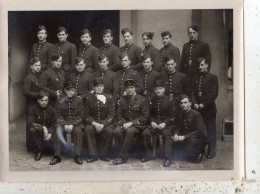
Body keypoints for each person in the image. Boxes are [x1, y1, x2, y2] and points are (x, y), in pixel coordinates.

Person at [140, 80, 177, 167]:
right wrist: (152, 121)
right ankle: (148, 154)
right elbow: (149, 114)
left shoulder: (170, 100)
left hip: (166, 125)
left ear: (164, 89)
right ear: (154, 90)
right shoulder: (151, 99)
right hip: (155, 125)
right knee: (144, 133)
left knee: (166, 134)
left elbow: (173, 115)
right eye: (156, 89)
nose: (158, 91)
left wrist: (164, 123)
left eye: (160, 88)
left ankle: (168, 158)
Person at [113, 79, 149, 165]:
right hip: (125, 123)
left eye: (131, 87)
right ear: (125, 89)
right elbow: (118, 114)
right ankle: (125, 152)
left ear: (135, 88)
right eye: (127, 88)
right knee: (116, 131)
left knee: (130, 131)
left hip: (138, 124)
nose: (129, 89)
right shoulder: (122, 99)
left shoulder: (142, 100)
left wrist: (131, 123)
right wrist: (123, 122)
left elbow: (145, 116)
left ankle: (122, 157)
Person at [50, 81, 84, 165]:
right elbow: (57, 114)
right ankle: (57, 156)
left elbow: (81, 115)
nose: (70, 92)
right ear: (65, 90)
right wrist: (64, 124)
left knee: (78, 131)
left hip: (75, 123)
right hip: (63, 123)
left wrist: (72, 124)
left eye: (72, 90)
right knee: (58, 130)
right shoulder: (59, 100)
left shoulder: (78, 100)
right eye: (68, 90)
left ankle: (77, 155)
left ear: (75, 91)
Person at [191, 57, 218, 159]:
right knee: (199, 130)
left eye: (202, 65)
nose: (200, 67)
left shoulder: (213, 77)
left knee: (210, 131)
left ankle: (212, 150)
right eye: (199, 65)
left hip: (209, 109)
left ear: (207, 65)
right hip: (198, 109)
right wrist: (194, 103)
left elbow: (214, 94)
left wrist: (203, 104)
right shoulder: (195, 78)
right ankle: (200, 148)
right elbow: (192, 93)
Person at [84, 78, 116, 162]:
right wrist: (94, 123)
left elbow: (111, 114)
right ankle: (93, 154)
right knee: (87, 129)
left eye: (100, 86)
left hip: (105, 123)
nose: (99, 88)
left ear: (103, 87)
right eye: (96, 86)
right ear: (94, 88)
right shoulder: (89, 98)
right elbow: (87, 115)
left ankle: (104, 154)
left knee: (109, 131)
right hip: (94, 122)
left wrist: (103, 124)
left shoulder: (109, 98)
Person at [172, 94, 208, 163]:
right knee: (175, 154)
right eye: (181, 103)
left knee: (193, 158)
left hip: (196, 138)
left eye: (185, 102)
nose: (183, 105)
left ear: (190, 104)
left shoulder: (196, 114)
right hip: (186, 138)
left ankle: (198, 153)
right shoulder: (180, 114)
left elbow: (200, 131)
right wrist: (176, 134)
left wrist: (184, 137)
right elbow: (177, 127)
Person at [28, 91, 56, 161]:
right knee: (32, 129)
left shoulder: (52, 110)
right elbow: (30, 122)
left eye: (46, 100)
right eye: (42, 100)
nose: (44, 102)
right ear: (38, 100)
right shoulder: (33, 109)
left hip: (49, 132)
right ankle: (39, 150)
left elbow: (54, 123)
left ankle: (49, 148)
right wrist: (42, 127)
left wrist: (50, 133)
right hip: (38, 132)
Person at [23, 57, 42, 152]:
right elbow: (26, 92)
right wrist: (38, 96)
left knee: (36, 126)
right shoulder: (28, 77)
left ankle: (36, 146)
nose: (38, 67)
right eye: (36, 65)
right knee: (30, 126)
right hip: (31, 106)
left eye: (39, 65)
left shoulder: (38, 76)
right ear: (31, 67)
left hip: (37, 105)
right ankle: (30, 147)